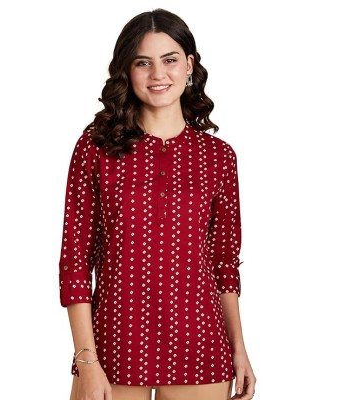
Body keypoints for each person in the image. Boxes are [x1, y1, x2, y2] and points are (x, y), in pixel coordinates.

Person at [58, 8, 256, 400]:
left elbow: (223, 264)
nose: (158, 74)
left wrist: (239, 349)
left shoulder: (218, 157)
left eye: (169, 60)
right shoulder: (96, 148)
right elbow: (75, 262)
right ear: (126, 70)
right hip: (113, 347)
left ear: (189, 65)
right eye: (143, 63)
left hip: (200, 348)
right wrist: (87, 360)